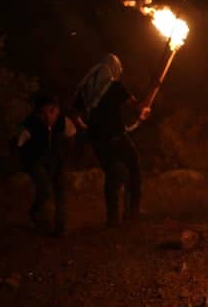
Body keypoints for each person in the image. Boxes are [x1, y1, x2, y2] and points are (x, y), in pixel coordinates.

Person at [73, 54, 150, 228]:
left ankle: (112, 218)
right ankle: (132, 211)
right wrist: (143, 110)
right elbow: (136, 108)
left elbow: (75, 115)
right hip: (118, 137)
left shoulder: (86, 90)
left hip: (99, 142)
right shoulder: (115, 87)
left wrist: (84, 127)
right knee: (134, 168)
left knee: (112, 175)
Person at [13, 91, 77, 236]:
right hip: (36, 161)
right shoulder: (30, 124)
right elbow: (18, 145)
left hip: (57, 160)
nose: (48, 116)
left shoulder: (63, 122)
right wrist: (24, 163)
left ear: (57, 110)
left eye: (52, 111)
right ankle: (36, 213)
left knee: (61, 190)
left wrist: (64, 159)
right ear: (37, 113)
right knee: (45, 188)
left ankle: (60, 227)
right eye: (43, 113)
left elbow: (71, 140)